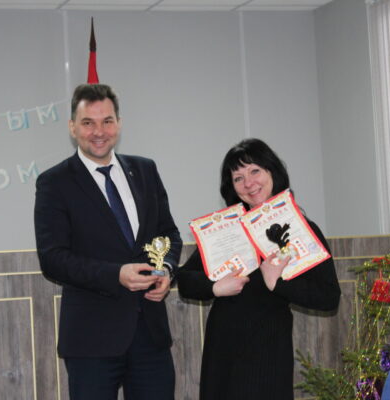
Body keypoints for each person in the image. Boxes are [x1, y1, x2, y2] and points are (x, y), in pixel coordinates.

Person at [34, 83, 182, 400]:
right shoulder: (54, 182)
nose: (98, 132)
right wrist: (116, 275)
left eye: (107, 121)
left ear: (119, 123)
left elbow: (168, 233)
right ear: (73, 127)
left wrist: (167, 270)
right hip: (91, 341)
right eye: (88, 122)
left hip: (150, 336)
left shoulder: (145, 170)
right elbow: (53, 258)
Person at [177, 138, 341, 400]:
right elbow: (185, 280)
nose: (249, 183)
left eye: (255, 171)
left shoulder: (300, 228)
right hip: (223, 348)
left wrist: (278, 283)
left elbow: (329, 297)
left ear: (272, 172)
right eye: (238, 178)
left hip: (268, 351)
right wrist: (215, 287)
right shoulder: (227, 229)